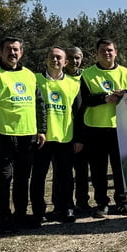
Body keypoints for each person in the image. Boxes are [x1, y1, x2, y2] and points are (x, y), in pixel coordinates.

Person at [0, 37, 46, 233]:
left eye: (16, 49)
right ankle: (4, 217)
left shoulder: (30, 75)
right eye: (8, 49)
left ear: (21, 52)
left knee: (23, 178)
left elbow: (39, 104)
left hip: (28, 135)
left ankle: (21, 214)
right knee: (4, 178)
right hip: (4, 136)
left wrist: (41, 130)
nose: (12, 53)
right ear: (0, 52)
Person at [76, 38, 127, 218]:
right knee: (98, 170)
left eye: (110, 50)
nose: (106, 53)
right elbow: (83, 100)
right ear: (96, 53)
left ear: (115, 52)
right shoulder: (87, 74)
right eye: (102, 50)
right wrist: (103, 98)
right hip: (95, 128)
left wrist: (125, 95)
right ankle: (101, 203)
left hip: (121, 127)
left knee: (120, 168)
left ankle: (122, 201)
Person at [32, 46, 80, 224]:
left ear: (66, 62)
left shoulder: (74, 84)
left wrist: (79, 138)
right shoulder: (34, 80)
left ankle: (65, 208)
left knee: (65, 176)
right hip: (41, 138)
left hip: (65, 137)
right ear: (46, 59)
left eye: (59, 58)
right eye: (52, 57)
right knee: (38, 177)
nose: (55, 60)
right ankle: (38, 212)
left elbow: (79, 113)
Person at [66, 45, 92, 212]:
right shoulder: (57, 78)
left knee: (82, 171)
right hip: (62, 133)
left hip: (82, 130)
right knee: (63, 173)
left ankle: (83, 201)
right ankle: (64, 203)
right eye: (71, 57)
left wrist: (80, 137)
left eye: (78, 57)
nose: (75, 61)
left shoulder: (86, 77)